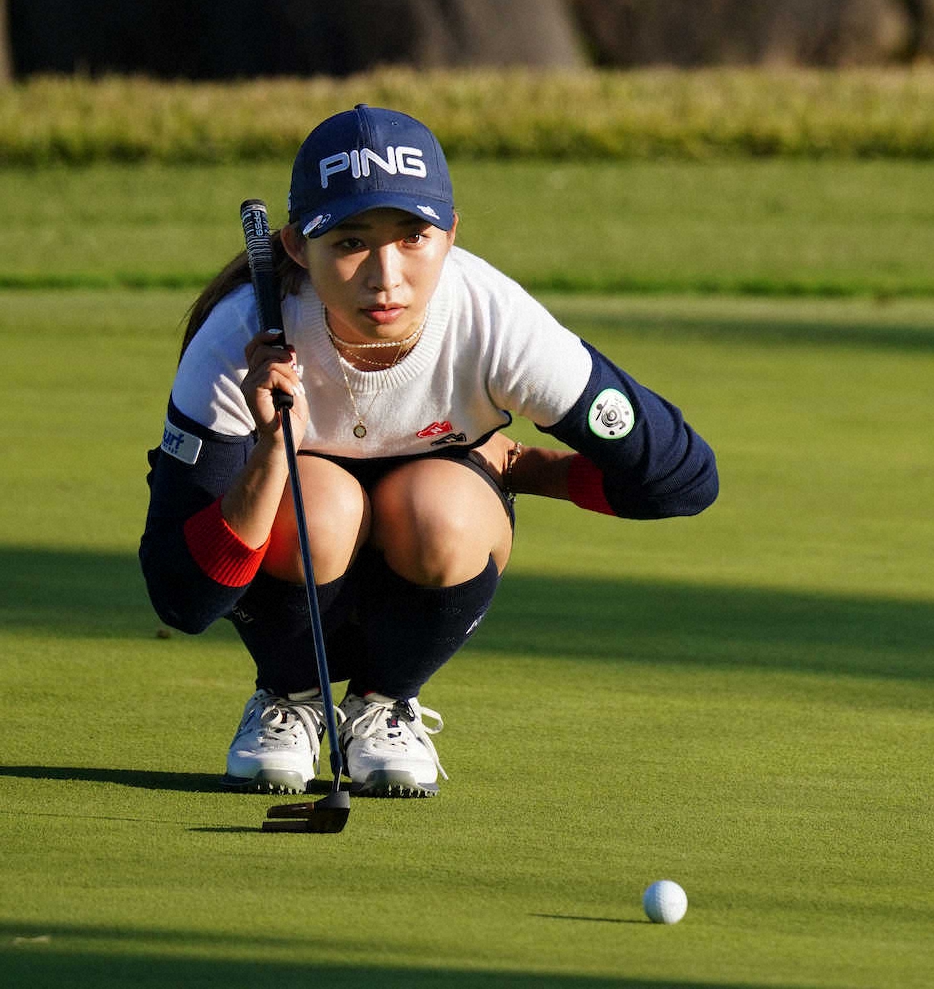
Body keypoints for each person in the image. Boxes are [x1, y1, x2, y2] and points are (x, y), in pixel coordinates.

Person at [139, 104, 718, 799]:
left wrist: (525, 468)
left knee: (444, 510)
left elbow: (680, 478)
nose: (386, 278)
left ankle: (386, 704)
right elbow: (182, 598)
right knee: (316, 503)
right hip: (298, 561)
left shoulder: (494, 321)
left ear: (450, 235)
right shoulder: (237, 345)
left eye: (413, 236)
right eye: (350, 242)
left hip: (426, 535)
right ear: (296, 247)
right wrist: (268, 452)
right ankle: (287, 697)